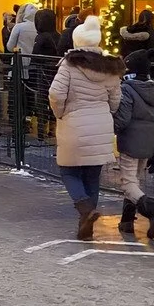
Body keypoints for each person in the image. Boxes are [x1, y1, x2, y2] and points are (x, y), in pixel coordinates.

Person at [49, 16, 124, 240]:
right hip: (100, 124)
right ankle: (86, 223)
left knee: (69, 170)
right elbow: (116, 98)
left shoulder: (70, 65)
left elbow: (55, 93)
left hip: (73, 122)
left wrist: (60, 112)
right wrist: (106, 111)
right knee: (92, 172)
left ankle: (85, 211)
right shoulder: (110, 67)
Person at [114, 49, 154, 238]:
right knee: (135, 182)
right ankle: (126, 222)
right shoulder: (153, 89)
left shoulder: (127, 89)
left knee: (128, 184)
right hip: (147, 142)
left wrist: (111, 125)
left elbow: (122, 119)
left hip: (130, 141)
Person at [29, 8, 62, 142]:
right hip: (56, 72)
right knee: (55, 100)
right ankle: (53, 130)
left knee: (41, 102)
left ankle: (41, 132)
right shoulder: (58, 35)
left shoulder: (41, 37)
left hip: (43, 72)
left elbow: (34, 55)